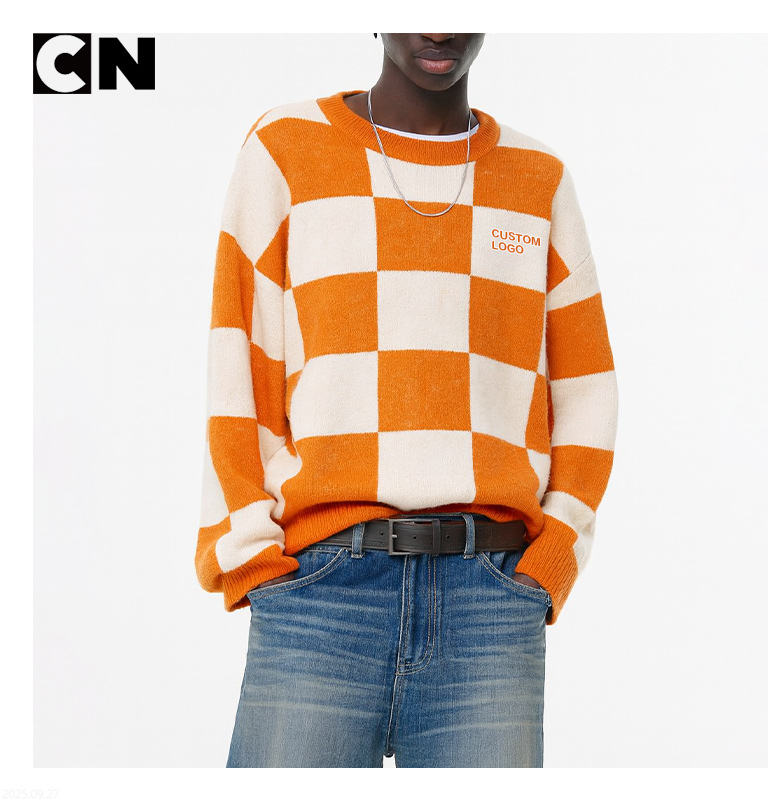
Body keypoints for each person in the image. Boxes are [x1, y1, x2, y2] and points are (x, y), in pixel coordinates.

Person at [195, 33, 618, 768]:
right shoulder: (286, 148)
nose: (438, 28)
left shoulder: (538, 178)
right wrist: (254, 565)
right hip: (320, 591)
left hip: (490, 601)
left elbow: (585, 387)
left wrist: (555, 556)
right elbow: (241, 367)